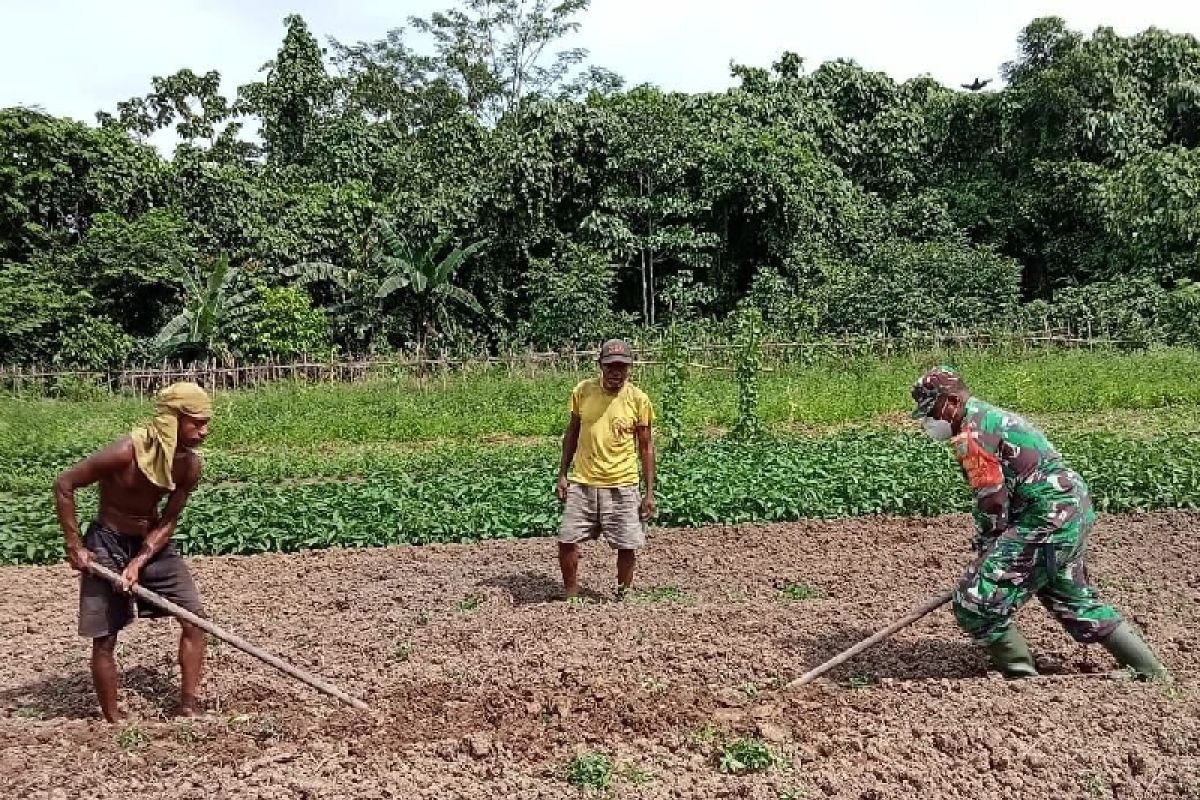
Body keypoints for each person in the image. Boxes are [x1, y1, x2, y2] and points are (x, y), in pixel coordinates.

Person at [911, 366, 1167, 680]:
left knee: (974, 602)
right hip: (1071, 511)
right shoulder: (992, 418)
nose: (928, 422)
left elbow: (991, 500)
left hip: (1047, 518)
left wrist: (989, 548)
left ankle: (1022, 681)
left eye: (930, 411)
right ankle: (1150, 672)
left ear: (950, 402)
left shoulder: (971, 435)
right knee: (1069, 597)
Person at [54, 381, 213, 721]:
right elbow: (65, 484)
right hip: (107, 542)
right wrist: (75, 545)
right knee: (105, 636)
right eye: (196, 422)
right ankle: (113, 721)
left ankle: (188, 707)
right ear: (173, 419)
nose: (204, 431)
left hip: (151, 544)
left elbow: (168, 520)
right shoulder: (125, 452)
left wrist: (140, 560)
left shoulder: (189, 467)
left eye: (206, 422)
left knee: (194, 619)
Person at [555, 339, 656, 599]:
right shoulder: (583, 391)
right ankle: (571, 594)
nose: (616, 372)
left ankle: (623, 594)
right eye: (610, 366)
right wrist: (563, 474)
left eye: (622, 367)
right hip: (583, 481)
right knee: (567, 539)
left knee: (626, 544)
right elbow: (572, 432)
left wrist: (648, 493)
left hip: (622, 483)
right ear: (600, 365)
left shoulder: (638, 399)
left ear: (629, 369)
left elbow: (646, 447)